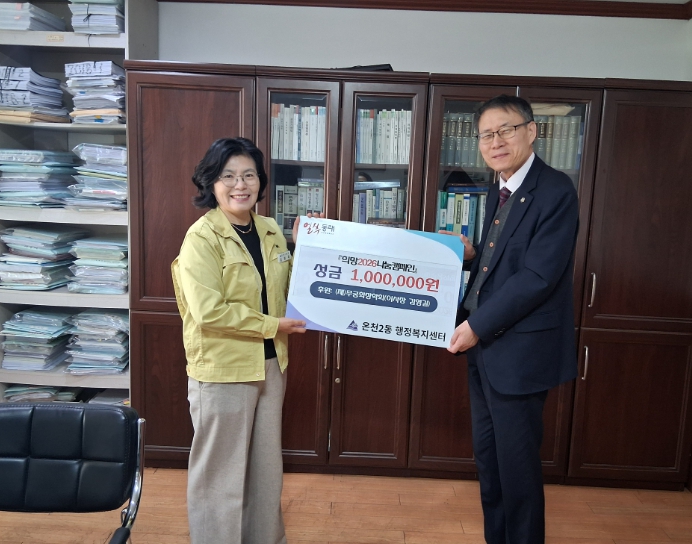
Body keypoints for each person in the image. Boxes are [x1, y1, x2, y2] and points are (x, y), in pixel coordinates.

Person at [447, 95, 579, 544]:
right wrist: (470, 255)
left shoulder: (555, 191)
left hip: (520, 354)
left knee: (518, 469)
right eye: (487, 134)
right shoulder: (497, 189)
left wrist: (475, 326)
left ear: (531, 131)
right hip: (485, 350)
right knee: (490, 462)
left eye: (506, 130)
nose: (496, 141)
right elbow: (501, 261)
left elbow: (538, 277)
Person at [171, 137, 307, 544]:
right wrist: (272, 325)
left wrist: (306, 247)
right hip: (223, 371)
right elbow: (208, 311)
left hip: (271, 366)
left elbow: (289, 289)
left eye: (249, 175)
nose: (240, 185)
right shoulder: (201, 238)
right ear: (211, 183)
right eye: (228, 176)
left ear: (260, 181)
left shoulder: (270, 230)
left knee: (266, 471)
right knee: (219, 476)